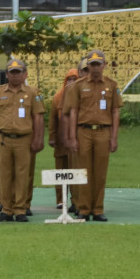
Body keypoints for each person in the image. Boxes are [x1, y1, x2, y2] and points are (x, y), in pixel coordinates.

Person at [66, 50, 122, 221]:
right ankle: (83, 208)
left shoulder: (112, 86)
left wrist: (114, 137)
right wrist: (72, 137)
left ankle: (98, 209)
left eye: (99, 64)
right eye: (92, 64)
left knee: (100, 171)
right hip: (84, 131)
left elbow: (115, 112)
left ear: (104, 65)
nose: (96, 68)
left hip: (103, 131)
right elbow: (73, 112)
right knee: (83, 171)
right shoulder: (79, 85)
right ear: (87, 66)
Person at [0, 59, 45, 223]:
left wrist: (38, 139)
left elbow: (38, 117)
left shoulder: (33, 93)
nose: (15, 75)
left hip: (24, 139)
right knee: (4, 175)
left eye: (18, 72)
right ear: (7, 75)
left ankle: (20, 209)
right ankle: (6, 209)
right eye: (12, 72)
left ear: (25, 74)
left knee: (22, 175)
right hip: (4, 139)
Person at [48, 68, 79, 211]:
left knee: (75, 170)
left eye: (74, 79)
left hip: (76, 141)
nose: (71, 82)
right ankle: (61, 199)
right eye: (69, 79)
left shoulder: (81, 97)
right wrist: (52, 136)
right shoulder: (57, 98)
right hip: (61, 141)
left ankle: (76, 200)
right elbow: (53, 120)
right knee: (61, 170)